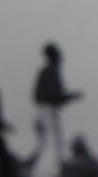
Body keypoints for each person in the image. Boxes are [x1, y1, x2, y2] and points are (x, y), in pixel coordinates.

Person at [31, 42, 83, 177]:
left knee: (52, 149)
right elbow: (52, 96)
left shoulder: (47, 71)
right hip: (48, 111)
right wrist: (70, 96)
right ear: (54, 57)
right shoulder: (50, 72)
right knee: (52, 149)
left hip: (45, 112)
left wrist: (67, 96)